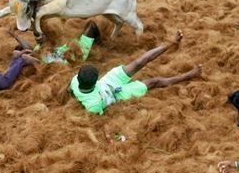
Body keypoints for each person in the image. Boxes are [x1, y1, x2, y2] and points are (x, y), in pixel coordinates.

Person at [69, 30, 202, 115]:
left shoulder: (75, 81)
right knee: (154, 82)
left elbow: (70, 90)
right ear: (93, 83)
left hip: (108, 81)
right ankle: (190, 75)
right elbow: (104, 115)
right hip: (118, 95)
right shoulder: (94, 106)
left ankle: (170, 43)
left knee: (139, 62)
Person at [11, 20, 101, 64]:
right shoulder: (38, 61)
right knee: (92, 26)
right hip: (77, 54)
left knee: (86, 26)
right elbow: (22, 56)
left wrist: (15, 35)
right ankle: (99, 44)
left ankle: (94, 44)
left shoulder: (36, 49)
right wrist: (22, 53)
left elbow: (27, 46)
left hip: (71, 47)